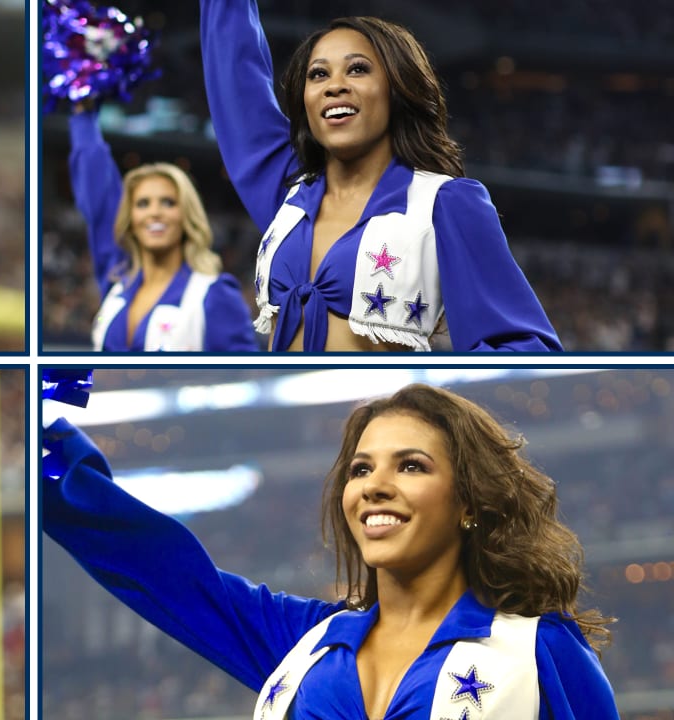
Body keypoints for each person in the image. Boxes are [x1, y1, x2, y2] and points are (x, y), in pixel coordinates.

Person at [43, 382, 617, 718]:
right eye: (360, 468)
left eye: (411, 465)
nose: (373, 485)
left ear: (470, 502)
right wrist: (48, 442)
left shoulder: (539, 651)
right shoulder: (306, 644)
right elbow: (162, 569)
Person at [200, 0, 561, 351]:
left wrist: (428, 394)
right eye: (318, 74)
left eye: (357, 69)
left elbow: (524, 347)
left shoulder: (444, 203)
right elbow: (234, 71)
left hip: (378, 411)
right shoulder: (289, 194)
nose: (334, 85)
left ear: (397, 89)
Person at [68, 103, 259, 352]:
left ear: (186, 216)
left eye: (168, 202)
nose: (155, 212)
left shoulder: (213, 294)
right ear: (130, 219)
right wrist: (83, 112)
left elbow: (242, 378)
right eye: (143, 203)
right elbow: (99, 196)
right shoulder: (117, 283)